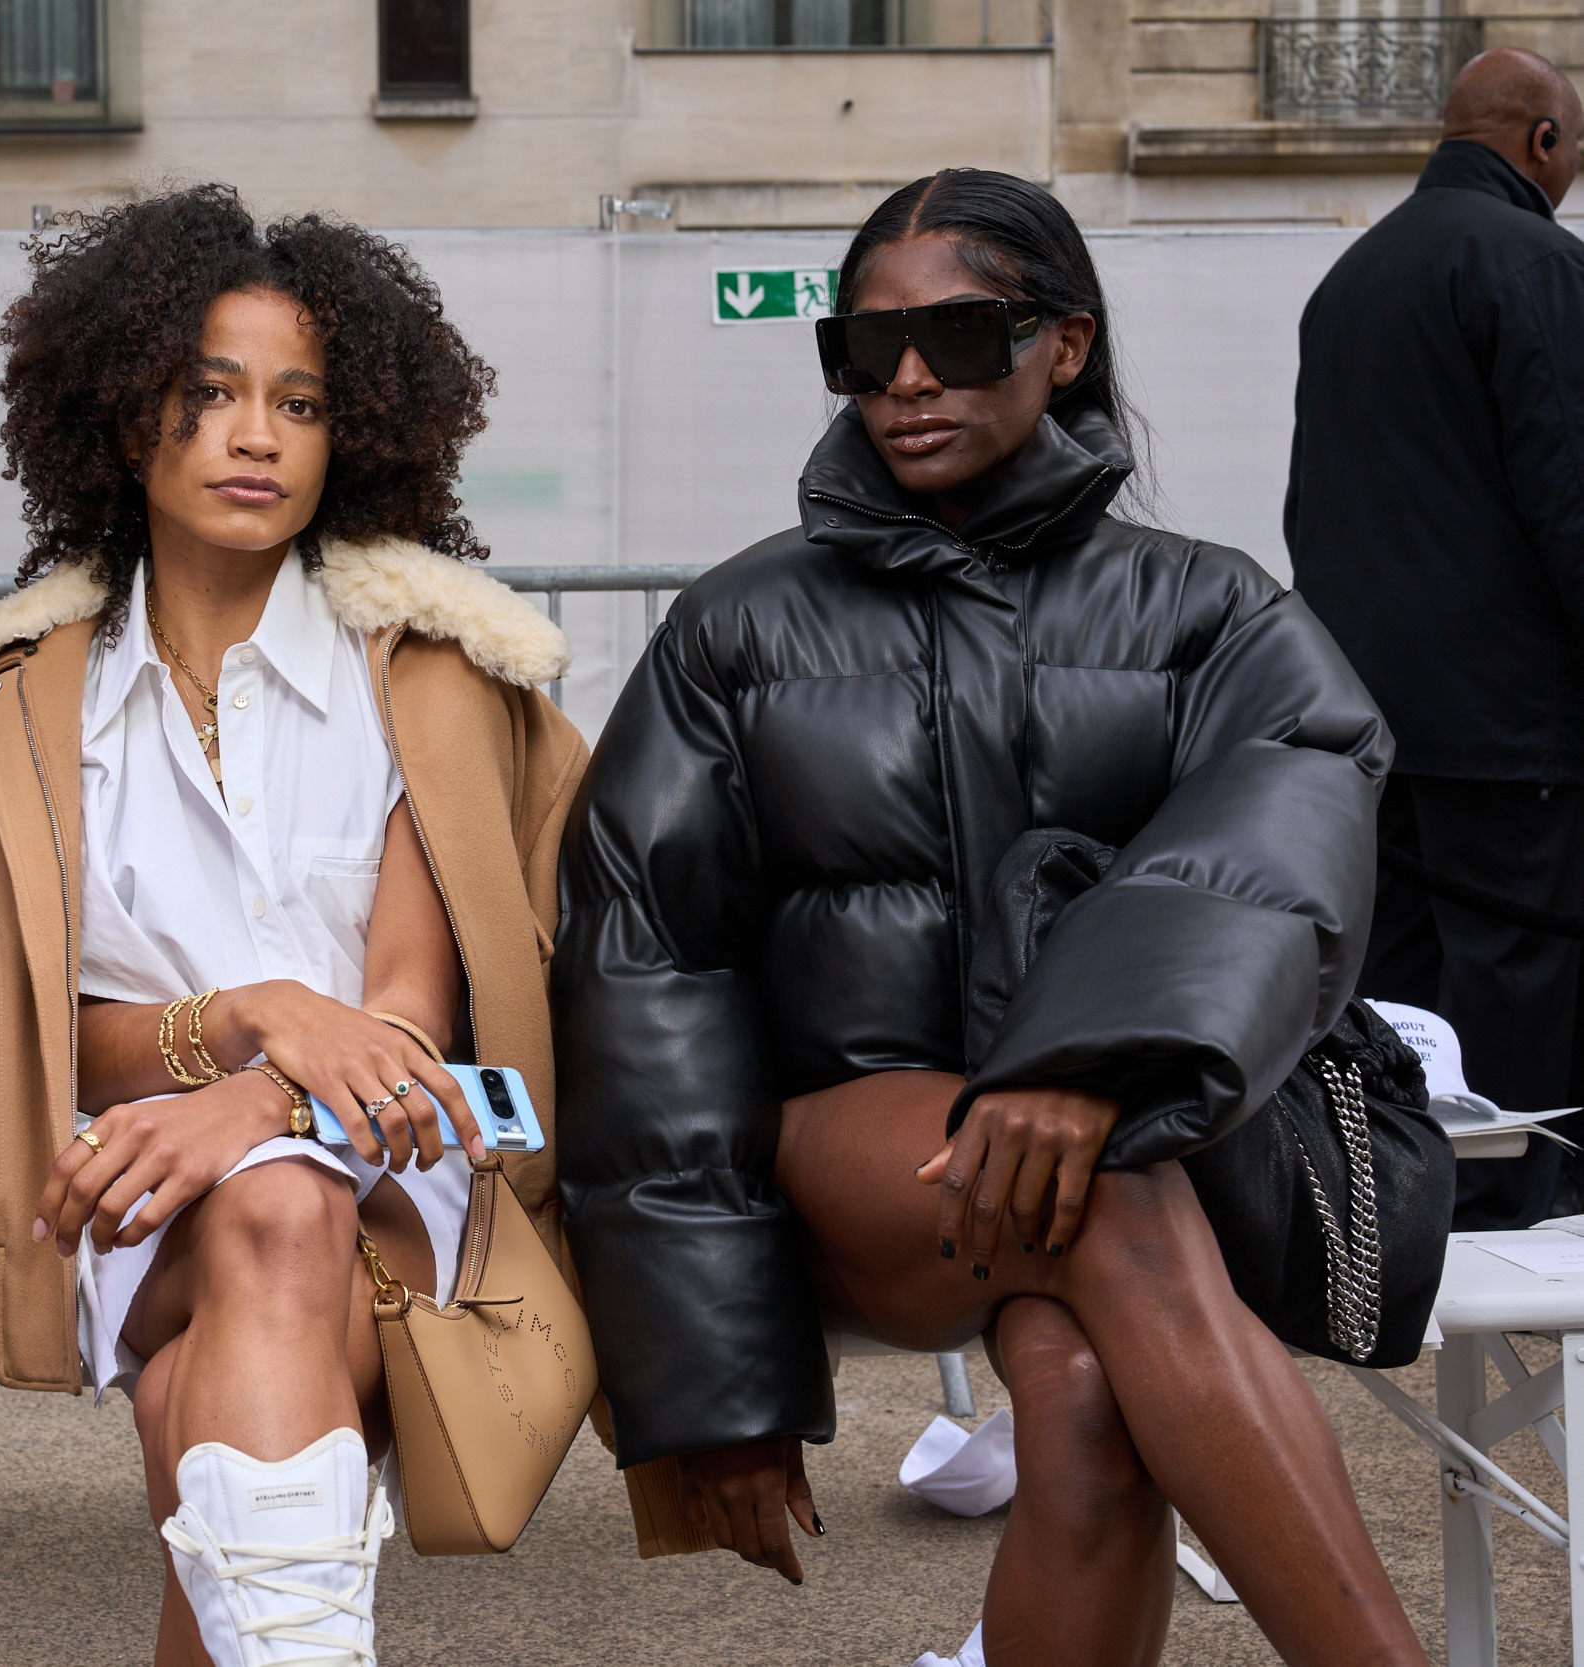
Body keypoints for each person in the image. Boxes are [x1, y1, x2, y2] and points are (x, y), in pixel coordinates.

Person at [554, 170, 1428, 1665]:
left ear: (1064, 343)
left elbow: (1286, 832)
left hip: (1114, 1144)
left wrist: (1092, 1058)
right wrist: (715, 1382)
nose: (906, 379)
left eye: (962, 338)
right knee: (1105, 1204)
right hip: (853, 1157)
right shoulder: (734, 629)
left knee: (1085, 1403)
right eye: (864, 346)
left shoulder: (1204, 612)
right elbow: (649, 979)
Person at [0, 184, 586, 1667]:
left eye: (299, 401)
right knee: (265, 1237)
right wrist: (250, 1018)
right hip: (116, 1187)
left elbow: (405, 1006)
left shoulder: (429, 679)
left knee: (253, 1263)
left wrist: (262, 1098)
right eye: (206, 395)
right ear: (117, 411)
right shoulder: (20, 704)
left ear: (358, 433)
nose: (255, 437)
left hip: (396, 1157)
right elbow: (27, 1032)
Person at [1287, 47, 1584, 1231]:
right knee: (1523, 971)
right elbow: (1568, 497)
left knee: (1399, 983)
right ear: (1543, 143)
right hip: (1512, 719)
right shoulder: (1536, 265)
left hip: (1368, 707)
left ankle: (1396, 1203)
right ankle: (1521, 1208)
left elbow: (1319, 503)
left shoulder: (1349, 277)